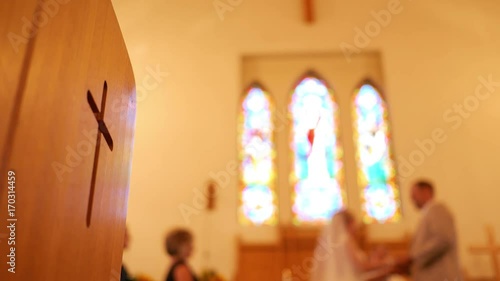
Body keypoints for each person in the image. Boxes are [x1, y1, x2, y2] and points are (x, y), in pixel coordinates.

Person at [397, 180, 462, 281]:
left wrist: (412, 257)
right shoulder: (428, 213)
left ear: (426, 191)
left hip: (440, 276)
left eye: (414, 194)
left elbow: (443, 239)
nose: (411, 198)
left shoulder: (437, 210)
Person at [310, 210, 393, 281]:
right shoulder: (346, 240)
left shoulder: (335, 243)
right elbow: (362, 267)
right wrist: (386, 263)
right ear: (350, 223)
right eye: (355, 222)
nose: (357, 226)